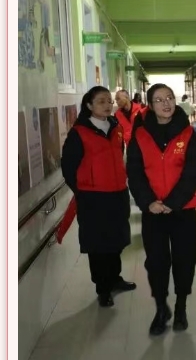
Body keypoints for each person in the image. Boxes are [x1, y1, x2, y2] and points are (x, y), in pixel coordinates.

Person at [126, 83, 196, 336]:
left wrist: (173, 202)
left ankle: (181, 306)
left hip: (183, 209)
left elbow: (193, 172)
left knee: (184, 259)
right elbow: (134, 172)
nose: (166, 103)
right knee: (156, 262)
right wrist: (148, 201)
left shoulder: (187, 133)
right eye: (159, 100)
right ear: (150, 105)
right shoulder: (140, 135)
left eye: (169, 97)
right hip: (153, 212)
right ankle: (161, 308)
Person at [61, 86, 136, 308]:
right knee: (97, 243)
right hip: (93, 198)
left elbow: (119, 154)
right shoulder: (79, 132)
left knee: (116, 239)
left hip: (118, 193)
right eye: (101, 101)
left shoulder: (116, 127)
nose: (107, 105)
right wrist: (83, 191)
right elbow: (68, 167)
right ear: (89, 105)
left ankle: (115, 278)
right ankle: (103, 287)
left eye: (108, 101)